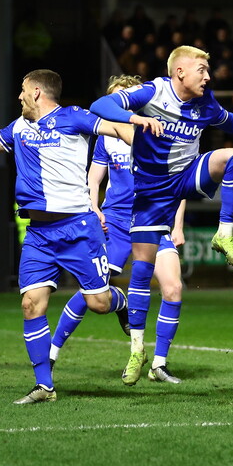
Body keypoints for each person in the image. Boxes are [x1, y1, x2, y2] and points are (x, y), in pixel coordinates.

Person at [0, 71, 153, 404]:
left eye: (23, 90)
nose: (19, 96)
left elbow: (117, 129)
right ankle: (45, 386)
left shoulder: (74, 116)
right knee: (30, 304)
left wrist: (141, 140)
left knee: (98, 303)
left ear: (37, 92)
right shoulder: (19, 127)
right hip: (39, 234)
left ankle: (120, 302)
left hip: (78, 229)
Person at [89, 45, 233, 385]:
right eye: (202, 69)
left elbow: (231, 122)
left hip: (185, 177)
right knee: (141, 272)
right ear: (180, 71)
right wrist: (136, 118)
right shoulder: (153, 92)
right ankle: (137, 349)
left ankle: (224, 233)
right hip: (151, 192)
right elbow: (100, 105)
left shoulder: (204, 101)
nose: (208, 76)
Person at [50, 75, 187, 383]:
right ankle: (52, 352)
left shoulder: (159, 133)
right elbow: (94, 179)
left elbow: (177, 184)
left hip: (152, 219)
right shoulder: (106, 137)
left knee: (173, 287)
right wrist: (94, 208)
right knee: (92, 288)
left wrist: (177, 225)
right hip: (115, 222)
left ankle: (159, 364)